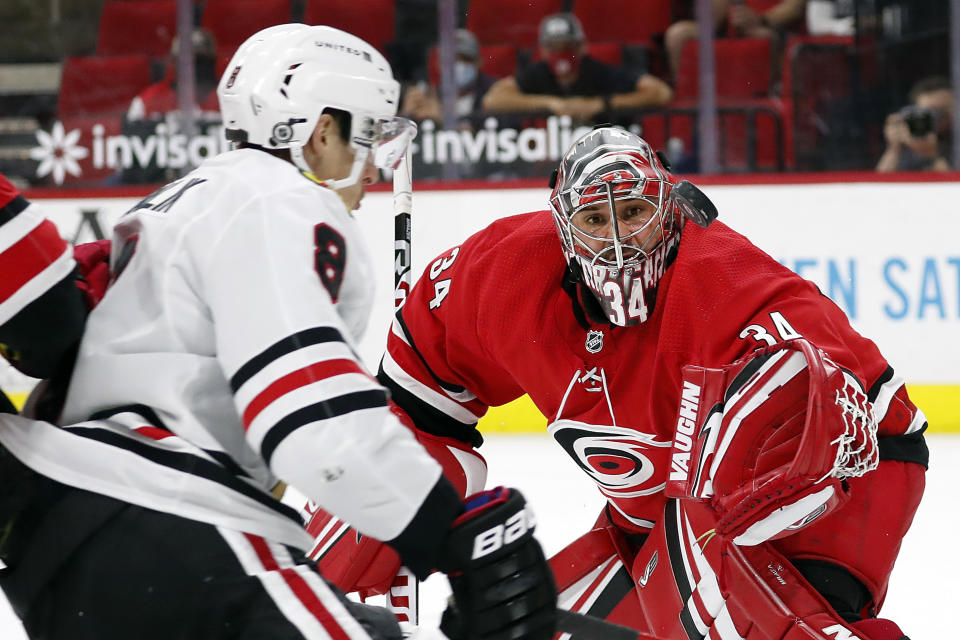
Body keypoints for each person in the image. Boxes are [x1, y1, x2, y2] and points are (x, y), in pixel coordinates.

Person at [0, 24, 557, 640]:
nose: (373, 167)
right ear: (321, 132)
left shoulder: (178, 201)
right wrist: (449, 532)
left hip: (64, 545)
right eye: (368, 135)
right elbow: (304, 408)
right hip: (167, 510)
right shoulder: (282, 200)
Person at [310, 127, 926, 640]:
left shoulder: (731, 286)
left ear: (669, 209)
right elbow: (417, 407)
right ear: (562, 226)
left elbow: (831, 385)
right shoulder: (505, 272)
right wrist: (368, 555)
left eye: (633, 213)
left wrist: (813, 422)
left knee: (707, 582)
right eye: (596, 220)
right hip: (657, 522)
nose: (619, 240)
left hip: (842, 491)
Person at [482, 12, 672, 123]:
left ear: (582, 46)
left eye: (567, 47)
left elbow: (660, 92)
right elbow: (493, 99)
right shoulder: (538, 73)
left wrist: (602, 103)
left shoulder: (598, 72)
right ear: (543, 50)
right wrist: (551, 103)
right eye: (553, 48)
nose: (561, 53)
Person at [664, 0, 808, 81]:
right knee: (678, 34)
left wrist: (760, 19)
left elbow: (796, 8)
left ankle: (772, 97)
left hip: (778, 30)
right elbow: (713, 20)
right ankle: (686, 102)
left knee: (762, 36)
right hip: (729, 28)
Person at [400, 29, 497, 126]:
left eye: (466, 59)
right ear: (439, 64)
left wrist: (443, 120)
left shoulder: (493, 91)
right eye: (451, 60)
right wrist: (406, 116)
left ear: (478, 62)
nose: (459, 65)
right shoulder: (430, 95)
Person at [876, 76, 953, 172]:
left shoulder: (955, 143)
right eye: (927, 113)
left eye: (942, 112)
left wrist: (932, 155)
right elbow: (881, 182)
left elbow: (952, 183)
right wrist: (894, 148)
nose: (936, 118)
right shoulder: (911, 139)